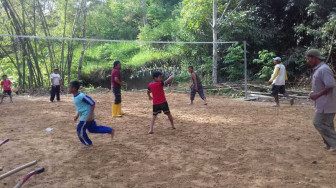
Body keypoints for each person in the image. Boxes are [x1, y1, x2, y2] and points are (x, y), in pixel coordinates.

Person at [306, 49, 336, 152]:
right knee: (327, 124)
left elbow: (330, 85)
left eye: (308, 58)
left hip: (326, 102)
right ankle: (330, 144)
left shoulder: (324, 69)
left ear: (315, 58)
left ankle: (334, 144)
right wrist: (314, 93)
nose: (307, 61)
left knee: (318, 122)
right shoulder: (320, 69)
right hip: (324, 102)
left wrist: (317, 95)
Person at [69, 81, 115, 146]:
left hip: (86, 116)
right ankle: (110, 130)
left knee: (80, 129)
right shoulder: (75, 96)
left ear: (74, 89)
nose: (68, 89)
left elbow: (92, 103)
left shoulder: (81, 96)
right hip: (85, 115)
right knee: (92, 129)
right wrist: (77, 115)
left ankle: (88, 144)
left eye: (69, 87)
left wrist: (90, 115)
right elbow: (81, 107)